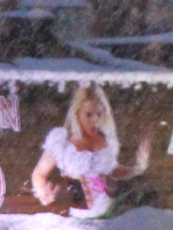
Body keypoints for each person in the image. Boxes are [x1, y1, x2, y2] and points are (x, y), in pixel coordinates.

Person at [30, 83, 150, 218]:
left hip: (110, 216)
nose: (95, 120)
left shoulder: (107, 141)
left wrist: (138, 168)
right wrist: (43, 193)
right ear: (77, 114)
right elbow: (39, 173)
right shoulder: (62, 141)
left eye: (99, 114)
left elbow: (114, 172)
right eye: (89, 114)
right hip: (78, 220)